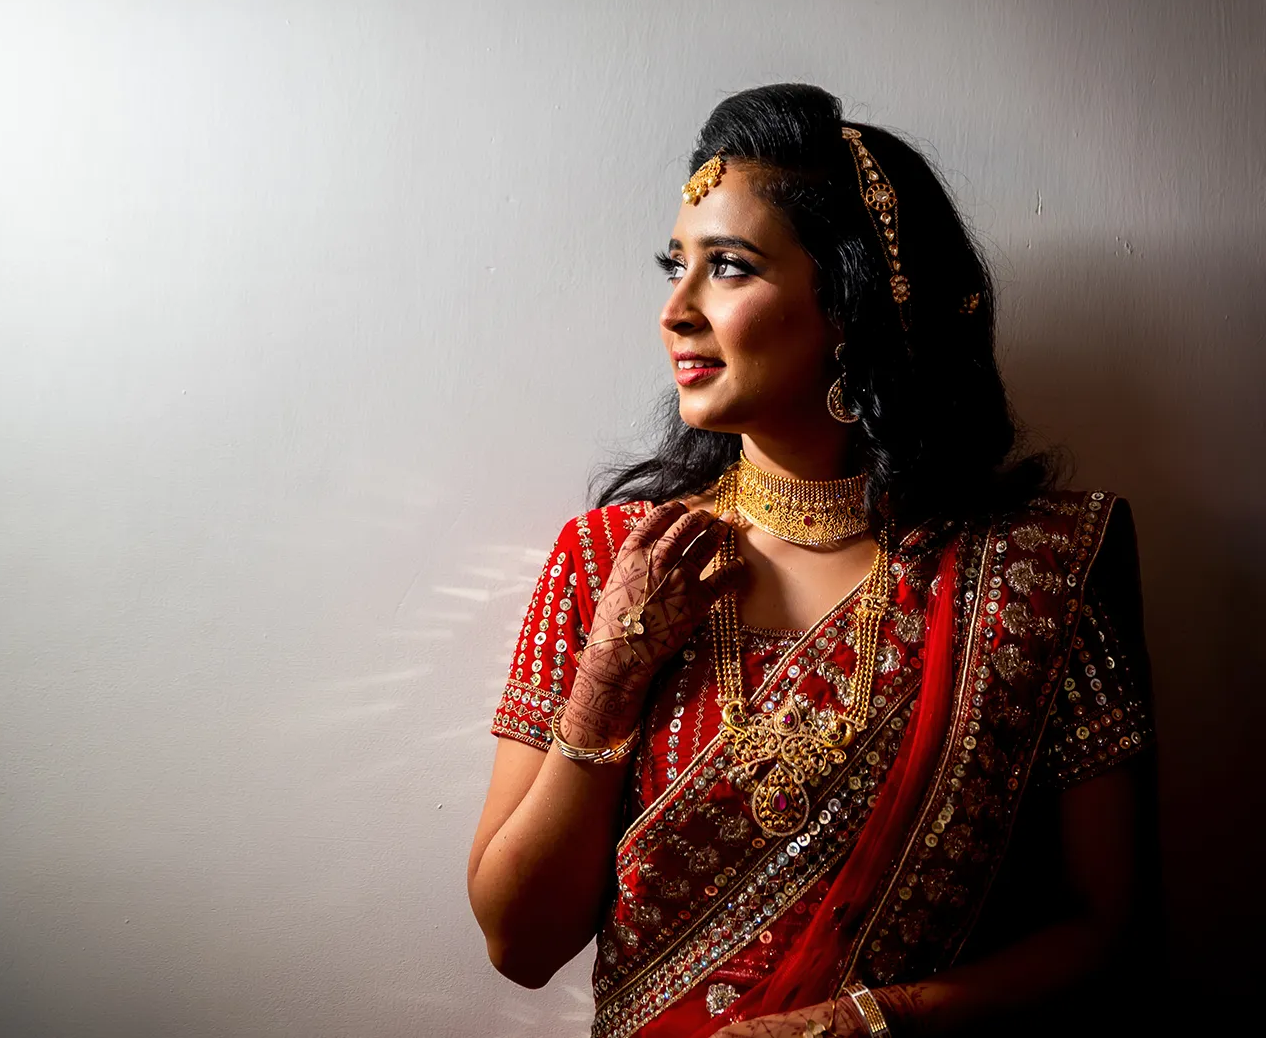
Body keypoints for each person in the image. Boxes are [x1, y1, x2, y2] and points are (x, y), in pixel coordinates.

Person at [465, 84, 1158, 1038]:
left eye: (729, 267)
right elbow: (519, 941)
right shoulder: (611, 561)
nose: (675, 310)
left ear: (848, 304)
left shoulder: (1034, 573)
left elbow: (1110, 932)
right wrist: (611, 675)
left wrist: (861, 1023)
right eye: (676, 265)